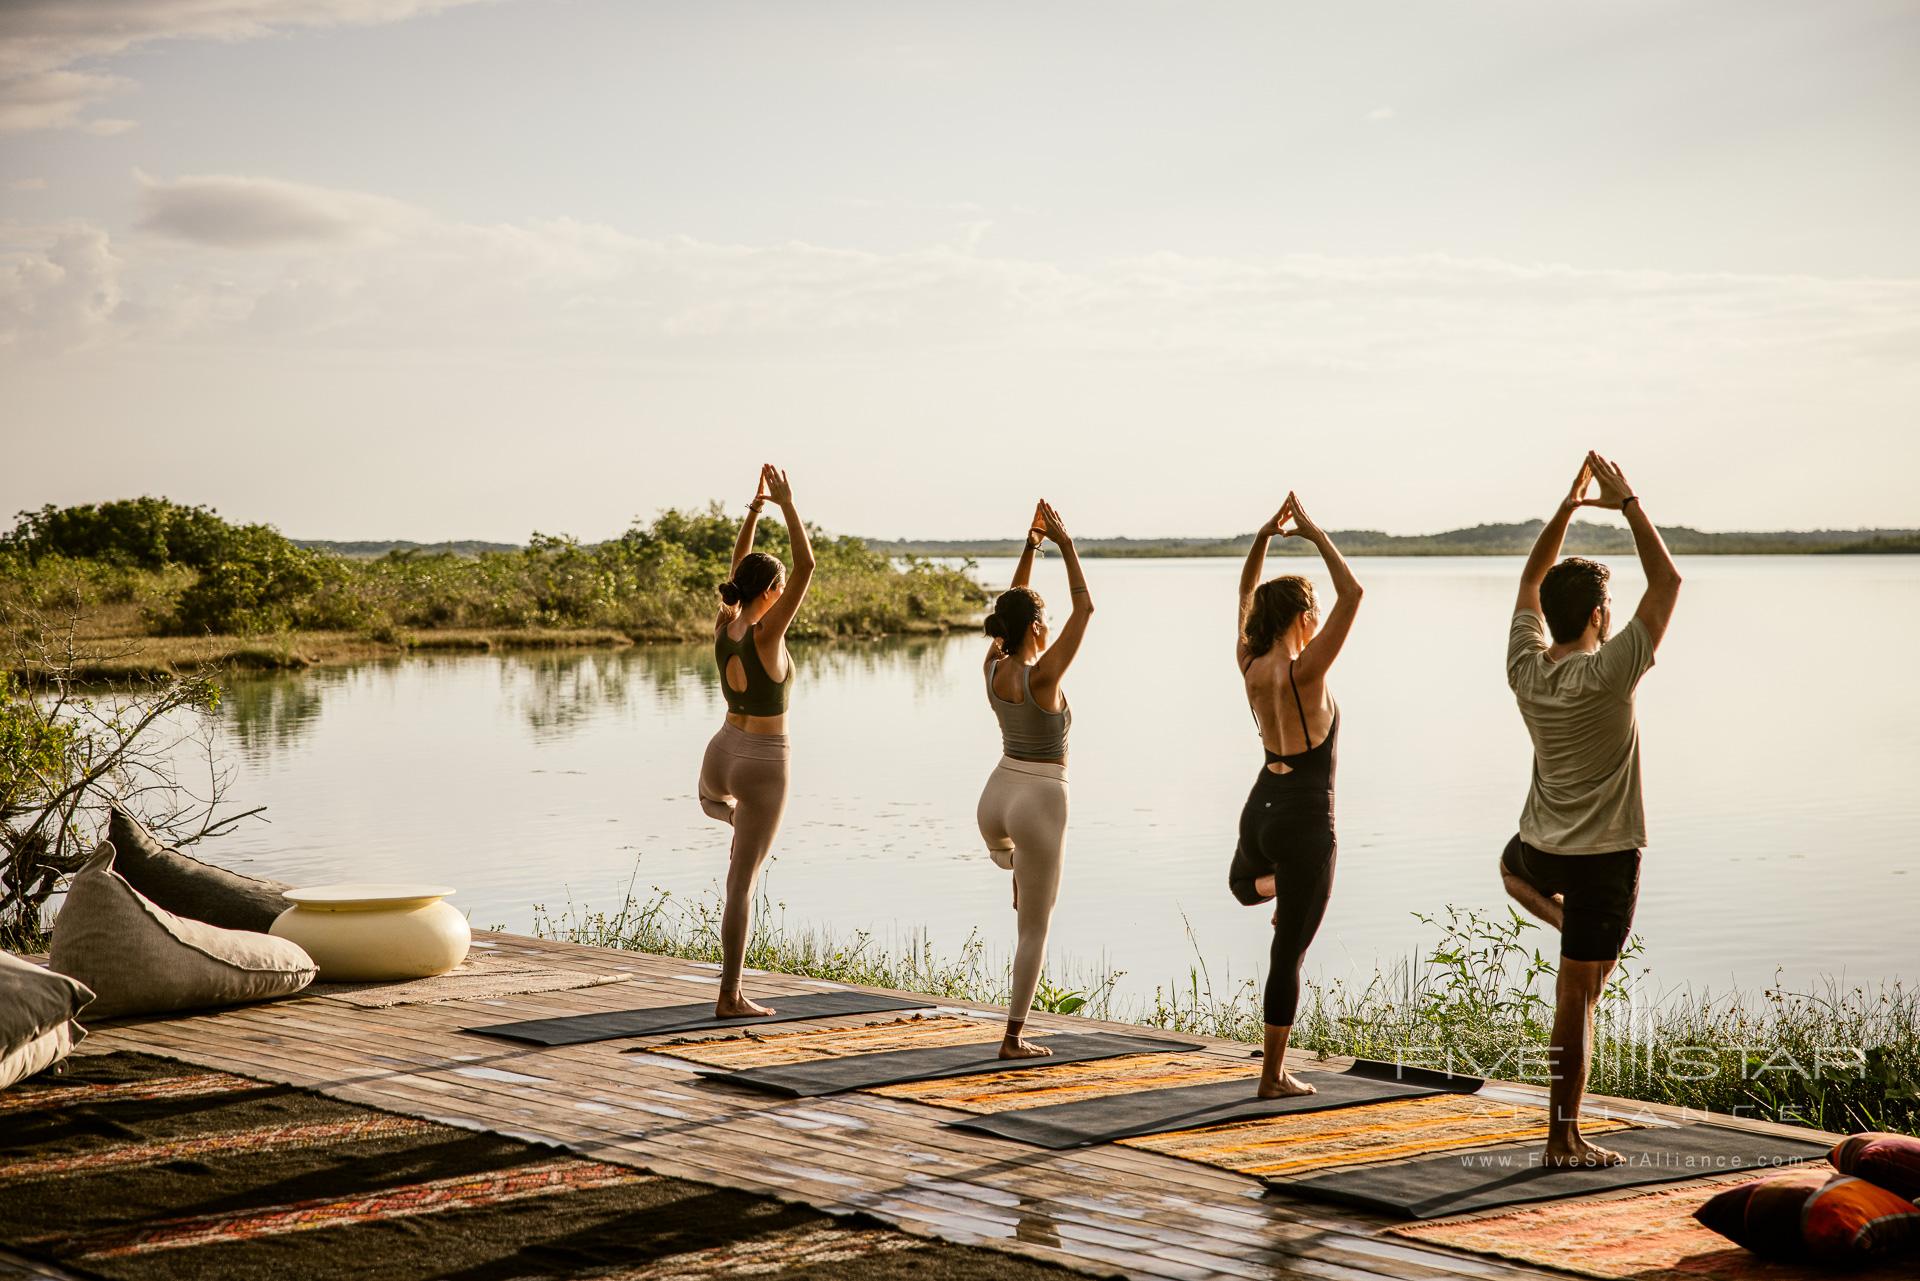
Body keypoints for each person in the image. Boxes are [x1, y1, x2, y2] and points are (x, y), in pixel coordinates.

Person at [1502, 451, 1680, 1167]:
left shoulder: (1526, 667)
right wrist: (1626, 499)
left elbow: (1525, 581)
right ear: (1601, 616)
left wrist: (1570, 507)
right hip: (1604, 857)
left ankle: (1566, 1128)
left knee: (1519, 878)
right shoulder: (1612, 670)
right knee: (1578, 995)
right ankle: (1561, 1138)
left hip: (1540, 850)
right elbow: (1667, 579)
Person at [1229, 493, 1363, 1098]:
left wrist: (1262, 537)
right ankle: (1272, 1075)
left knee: (1241, 886)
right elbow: (1354, 594)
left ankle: (1282, 883)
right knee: (1289, 957)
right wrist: (1312, 533)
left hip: (1262, 805)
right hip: (1308, 819)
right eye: (1312, 616)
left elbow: (1243, 594)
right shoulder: (1306, 672)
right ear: (1304, 617)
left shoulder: (1250, 661)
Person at [977, 500, 1093, 1060]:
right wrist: (1067, 546)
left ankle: (1017, 866)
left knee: (1018, 867)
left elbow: (1011, 607)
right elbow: (1087, 608)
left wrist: (1032, 547)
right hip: (1040, 798)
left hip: (995, 797)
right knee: (1035, 929)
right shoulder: (1044, 675)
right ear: (1038, 629)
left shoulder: (994, 665)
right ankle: (1013, 1037)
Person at [698, 464, 815, 1019]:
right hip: (765, 763)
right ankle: (730, 996)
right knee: (741, 883)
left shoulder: (725, 626)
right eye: (778, 586)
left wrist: (754, 511)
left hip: (720, 753)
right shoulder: (769, 634)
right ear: (771, 592)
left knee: (713, 805)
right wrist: (788, 504)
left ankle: (729, 819)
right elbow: (807, 567)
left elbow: (735, 572)